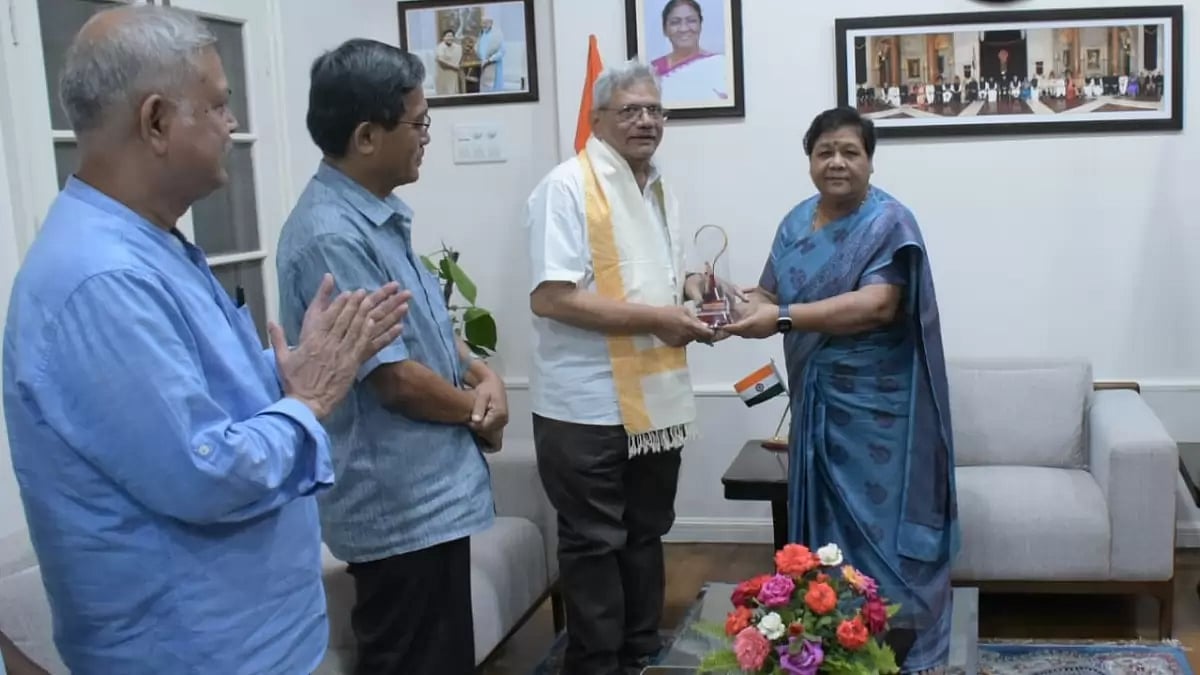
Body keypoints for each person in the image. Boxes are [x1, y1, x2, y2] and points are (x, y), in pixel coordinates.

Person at [1, 7, 411, 674]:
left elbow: (198, 398)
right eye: (218, 106)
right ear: (156, 121)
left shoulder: (153, 243)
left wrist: (283, 376)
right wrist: (308, 402)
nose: (233, 125)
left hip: (255, 642)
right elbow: (204, 472)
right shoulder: (99, 278)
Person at [276, 38, 503, 675]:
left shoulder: (372, 215)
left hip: (425, 498)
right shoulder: (331, 234)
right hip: (397, 506)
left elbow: (423, 326)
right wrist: (476, 412)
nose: (426, 135)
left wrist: (482, 375)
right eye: (419, 122)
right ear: (368, 136)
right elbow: (394, 380)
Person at [723, 106, 959, 675]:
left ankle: (905, 650)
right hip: (816, 406)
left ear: (870, 162)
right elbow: (767, 295)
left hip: (880, 410)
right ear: (809, 160)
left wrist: (779, 317)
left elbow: (878, 305)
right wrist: (719, 301)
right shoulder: (794, 222)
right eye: (825, 150)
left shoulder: (889, 222)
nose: (837, 162)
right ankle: (830, 645)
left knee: (883, 534)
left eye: (850, 151)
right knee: (826, 538)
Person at [525, 58, 720, 675]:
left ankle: (641, 648)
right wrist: (660, 320)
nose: (645, 121)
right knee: (593, 541)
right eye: (630, 110)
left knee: (645, 532)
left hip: (652, 400)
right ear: (598, 119)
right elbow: (551, 297)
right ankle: (596, 662)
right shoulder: (566, 186)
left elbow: (660, 277)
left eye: (654, 109)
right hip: (584, 404)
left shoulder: (657, 186)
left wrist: (699, 287)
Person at [650, 0, 730, 105]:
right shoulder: (652, 71)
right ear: (665, 29)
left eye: (691, 21)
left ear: (700, 25)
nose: (684, 28)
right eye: (675, 22)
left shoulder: (720, 65)